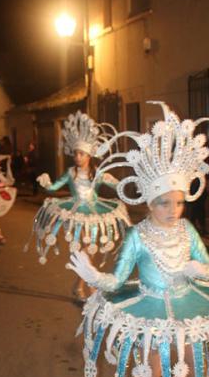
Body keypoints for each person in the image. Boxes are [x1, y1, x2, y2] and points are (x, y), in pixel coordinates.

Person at [67, 102, 209, 377]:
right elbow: (117, 281)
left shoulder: (187, 229)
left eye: (179, 203)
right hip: (150, 309)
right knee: (151, 375)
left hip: (188, 305)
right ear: (149, 202)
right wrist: (92, 276)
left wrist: (198, 270)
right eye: (165, 203)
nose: (173, 210)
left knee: (197, 369)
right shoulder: (137, 237)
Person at [25, 111, 130, 302]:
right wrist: (47, 183)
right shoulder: (70, 172)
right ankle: (90, 288)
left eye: (81, 154)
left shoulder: (97, 174)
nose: (77, 157)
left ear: (89, 155)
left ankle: (78, 285)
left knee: (90, 250)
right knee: (80, 250)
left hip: (95, 213)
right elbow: (54, 187)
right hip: (75, 214)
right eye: (75, 153)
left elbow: (116, 185)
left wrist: (124, 183)